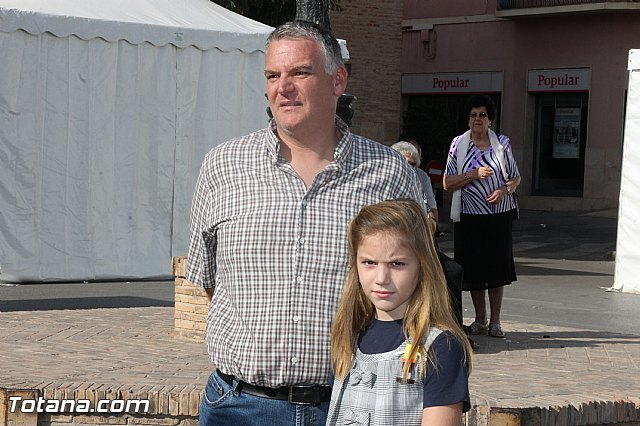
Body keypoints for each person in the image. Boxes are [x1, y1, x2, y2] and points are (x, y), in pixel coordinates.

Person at [186, 20, 422, 426]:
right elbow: (211, 281)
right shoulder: (223, 166)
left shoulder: (387, 173)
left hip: (352, 406)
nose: (283, 87)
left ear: (337, 79)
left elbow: (415, 287)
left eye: (300, 72)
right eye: (273, 75)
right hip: (239, 407)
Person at [327, 199, 471, 426]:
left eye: (397, 264)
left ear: (423, 266)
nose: (381, 278)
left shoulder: (440, 346)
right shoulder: (349, 335)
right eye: (369, 262)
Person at [443, 94, 521, 339]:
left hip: (498, 215)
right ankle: (479, 320)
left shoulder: (502, 144)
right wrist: (473, 174)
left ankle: (495, 322)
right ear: (468, 120)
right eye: (474, 115)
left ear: (490, 120)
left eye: (483, 115)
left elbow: (516, 178)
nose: (478, 119)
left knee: (497, 268)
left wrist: (504, 190)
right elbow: (447, 182)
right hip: (469, 215)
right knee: (474, 269)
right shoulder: (458, 144)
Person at [391, 141, 438, 222]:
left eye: (411, 164)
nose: (407, 168)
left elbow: (432, 208)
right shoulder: (386, 178)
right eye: (402, 162)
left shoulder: (422, 177)